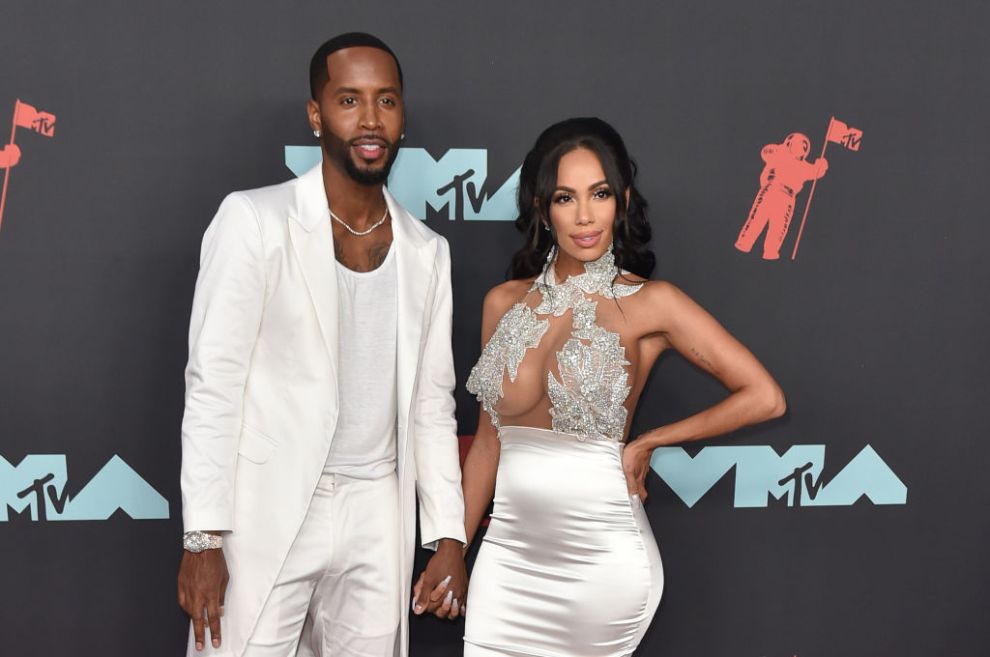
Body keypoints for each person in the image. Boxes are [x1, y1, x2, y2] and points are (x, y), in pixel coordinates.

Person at [446, 117, 785, 656]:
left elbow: (765, 396)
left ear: (621, 200)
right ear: (541, 208)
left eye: (599, 194)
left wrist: (650, 441)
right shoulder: (502, 304)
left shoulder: (650, 303)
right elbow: (487, 445)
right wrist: (454, 549)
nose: (585, 216)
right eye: (565, 197)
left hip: (601, 566)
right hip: (506, 562)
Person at [176, 32, 466, 657]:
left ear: (402, 115)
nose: (370, 120)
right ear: (316, 114)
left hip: (377, 513)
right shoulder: (253, 221)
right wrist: (204, 539)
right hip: (269, 509)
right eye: (349, 100)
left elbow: (431, 407)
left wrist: (448, 534)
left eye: (386, 101)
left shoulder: (428, 252)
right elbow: (213, 386)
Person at [734, 132, 828, 260]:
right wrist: (779, 149)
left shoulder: (803, 166)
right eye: (799, 144)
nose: (801, 148)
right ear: (789, 143)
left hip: (787, 197)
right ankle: (744, 244)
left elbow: (815, 172)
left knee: (779, 227)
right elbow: (765, 152)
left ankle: (771, 253)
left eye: (804, 147)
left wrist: (821, 166)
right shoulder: (778, 153)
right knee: (757, 218)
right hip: (770, 189)